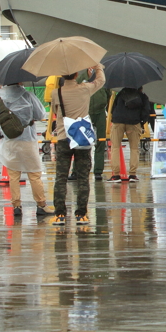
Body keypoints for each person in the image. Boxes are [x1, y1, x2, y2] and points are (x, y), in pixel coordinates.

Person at [49, 63, 106, 225]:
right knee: (83, 178)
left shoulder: (56, 93)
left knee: (61, 177)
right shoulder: (84, 89)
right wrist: (98, 68)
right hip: (81, 139)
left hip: (63, 138)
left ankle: (60, 214)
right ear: (75, 75)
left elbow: (54, 110)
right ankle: (81, 214)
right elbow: (101, 81)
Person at [0, 82, 51, 218]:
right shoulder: (28, 95)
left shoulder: (1, 100)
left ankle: (16, 206)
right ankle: (41, 205)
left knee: (14, 176)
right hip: (28, 140)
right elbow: (40, 114)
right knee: (34, 175)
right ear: (20, 81)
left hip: (10, 141)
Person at [107, 85, 150, 183]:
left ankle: (116, 175)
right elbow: (146, 111)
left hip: (118, 122)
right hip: (134, 123)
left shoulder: (121, 94)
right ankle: (132, 175)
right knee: (134, 149)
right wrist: (141, 122)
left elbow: (113, 108)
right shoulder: (142, 96)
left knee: (115, 148)